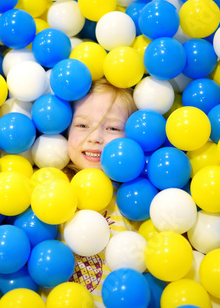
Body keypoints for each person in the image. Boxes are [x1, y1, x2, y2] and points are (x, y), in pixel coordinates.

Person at [62, 78, 141, 307]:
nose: (95, 138)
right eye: (83, 125)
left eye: (113, 128)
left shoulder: (136, 196)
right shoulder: (55, 184)